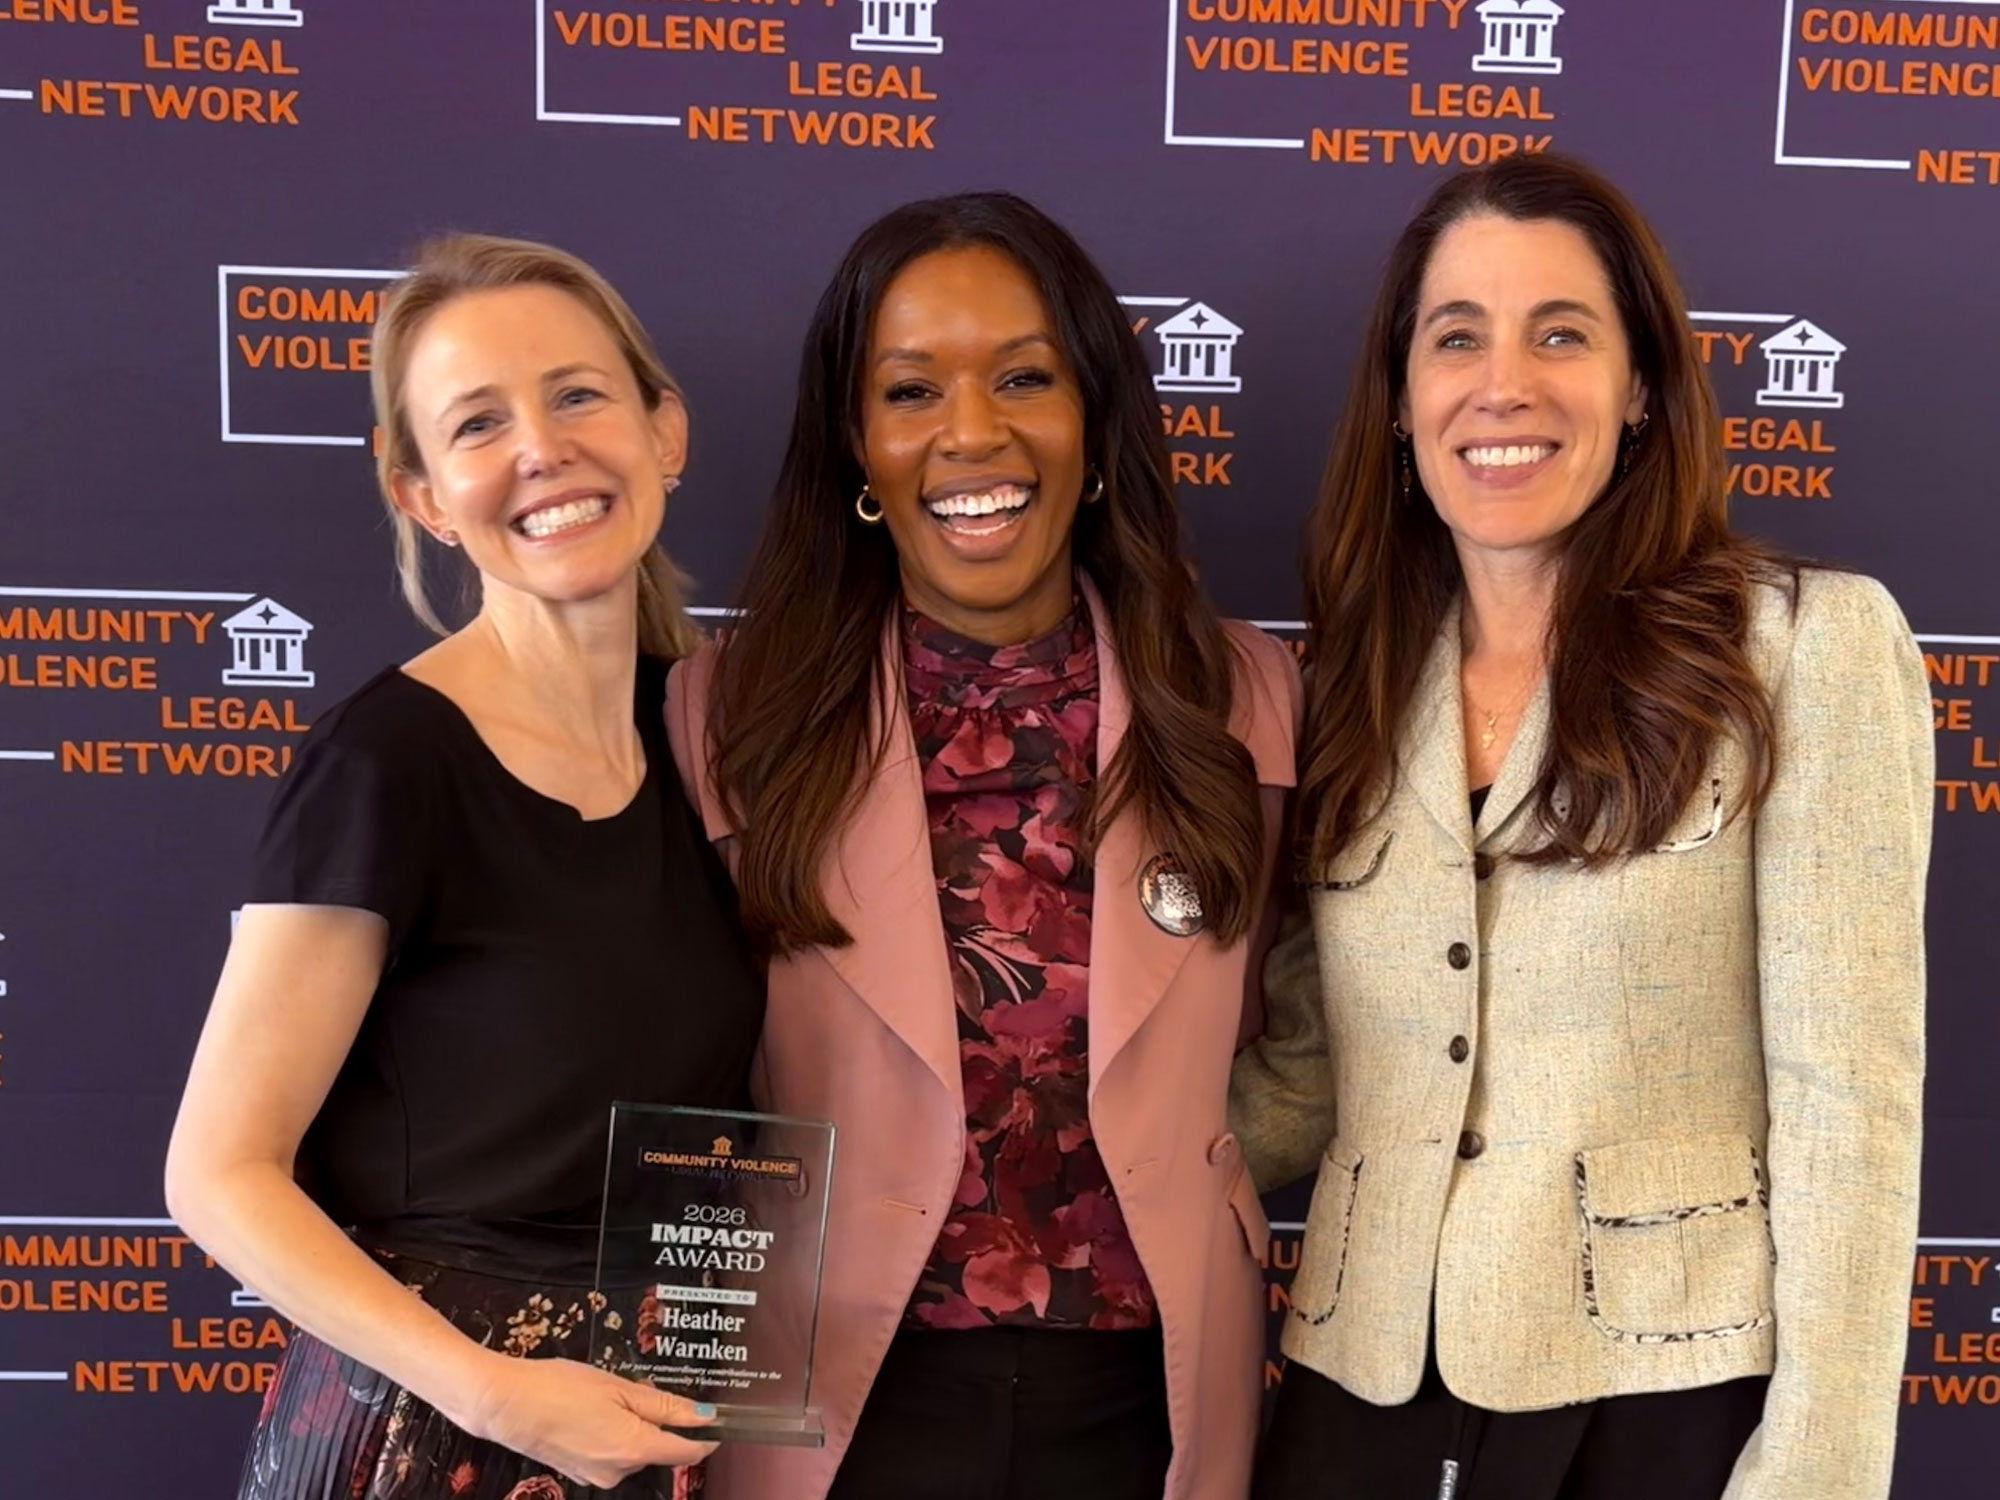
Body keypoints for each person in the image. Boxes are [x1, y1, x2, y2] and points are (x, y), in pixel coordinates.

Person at [1232, 153, 1932, 1500]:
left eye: (1562, 334)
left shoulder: (1804, 649)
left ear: (1643, 389)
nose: (1505, 384)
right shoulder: (1349, 689)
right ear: (1400, 403)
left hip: (1663, 1397)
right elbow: (1314, 1073)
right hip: (1357, 1391)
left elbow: (1852, 1108)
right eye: (1457, 339)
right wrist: (1061, 1166)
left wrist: (1822, 1469)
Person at [665, 192, 1299, 1500]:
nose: (971, 433)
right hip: (833, 1396)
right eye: (911, 392)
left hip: (1153, 1394)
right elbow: (672, 1073)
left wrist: (1226, 1170)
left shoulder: (1245, 696)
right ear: (856, 444)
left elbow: (1311, 1015)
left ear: (1097, 422)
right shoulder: (723, 716)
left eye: (1024, 377)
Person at [165, 233, 764, 1500]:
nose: (541, 448)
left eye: (577, 394)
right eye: (477, 423)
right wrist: (497, 1394)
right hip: (426, 1437)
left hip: (648, 1426)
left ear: (665, 431)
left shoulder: (713, 742)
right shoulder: (384, 766)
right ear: (424, 496)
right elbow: (217, 1174)